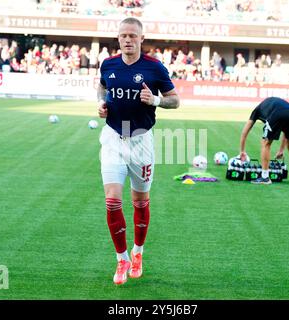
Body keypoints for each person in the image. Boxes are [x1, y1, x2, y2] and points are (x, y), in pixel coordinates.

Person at [97, 17, 180, 285]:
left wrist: (155, 99)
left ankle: (138, 252)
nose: (128, 39)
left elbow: (175, 100)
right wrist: (101, 103)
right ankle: (121, 259)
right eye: (123, 35)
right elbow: (101, 87)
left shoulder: (154, 67)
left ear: (141, 39)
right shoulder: (108, 64)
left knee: (140, 201)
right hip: (113, 138)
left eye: (133, 35)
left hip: (141, 141)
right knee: (111, 201)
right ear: (118, 38)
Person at [239, 97, 289, 185]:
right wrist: (281, 150)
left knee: (266, 143)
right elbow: (285, 131)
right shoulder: (269, 104)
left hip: (278, 113)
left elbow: (244, 132)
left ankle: (265, 177)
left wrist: (242, 151)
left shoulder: (257, 110)